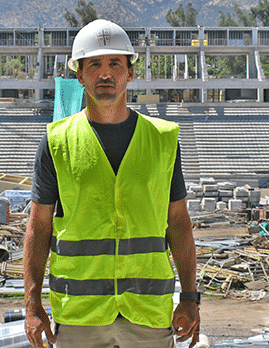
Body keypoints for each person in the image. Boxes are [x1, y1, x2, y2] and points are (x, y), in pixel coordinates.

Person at [23, 19, 201, 348]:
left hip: (148, 312)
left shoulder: (162, 140)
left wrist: (190, 297)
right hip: (79, 315)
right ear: (79, 74)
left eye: (115, 64)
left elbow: (178, 222)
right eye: (95, 64)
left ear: (130, 73)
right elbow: (38, 227)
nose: (105, 74)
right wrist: (32, 305)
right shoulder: (56, 142)